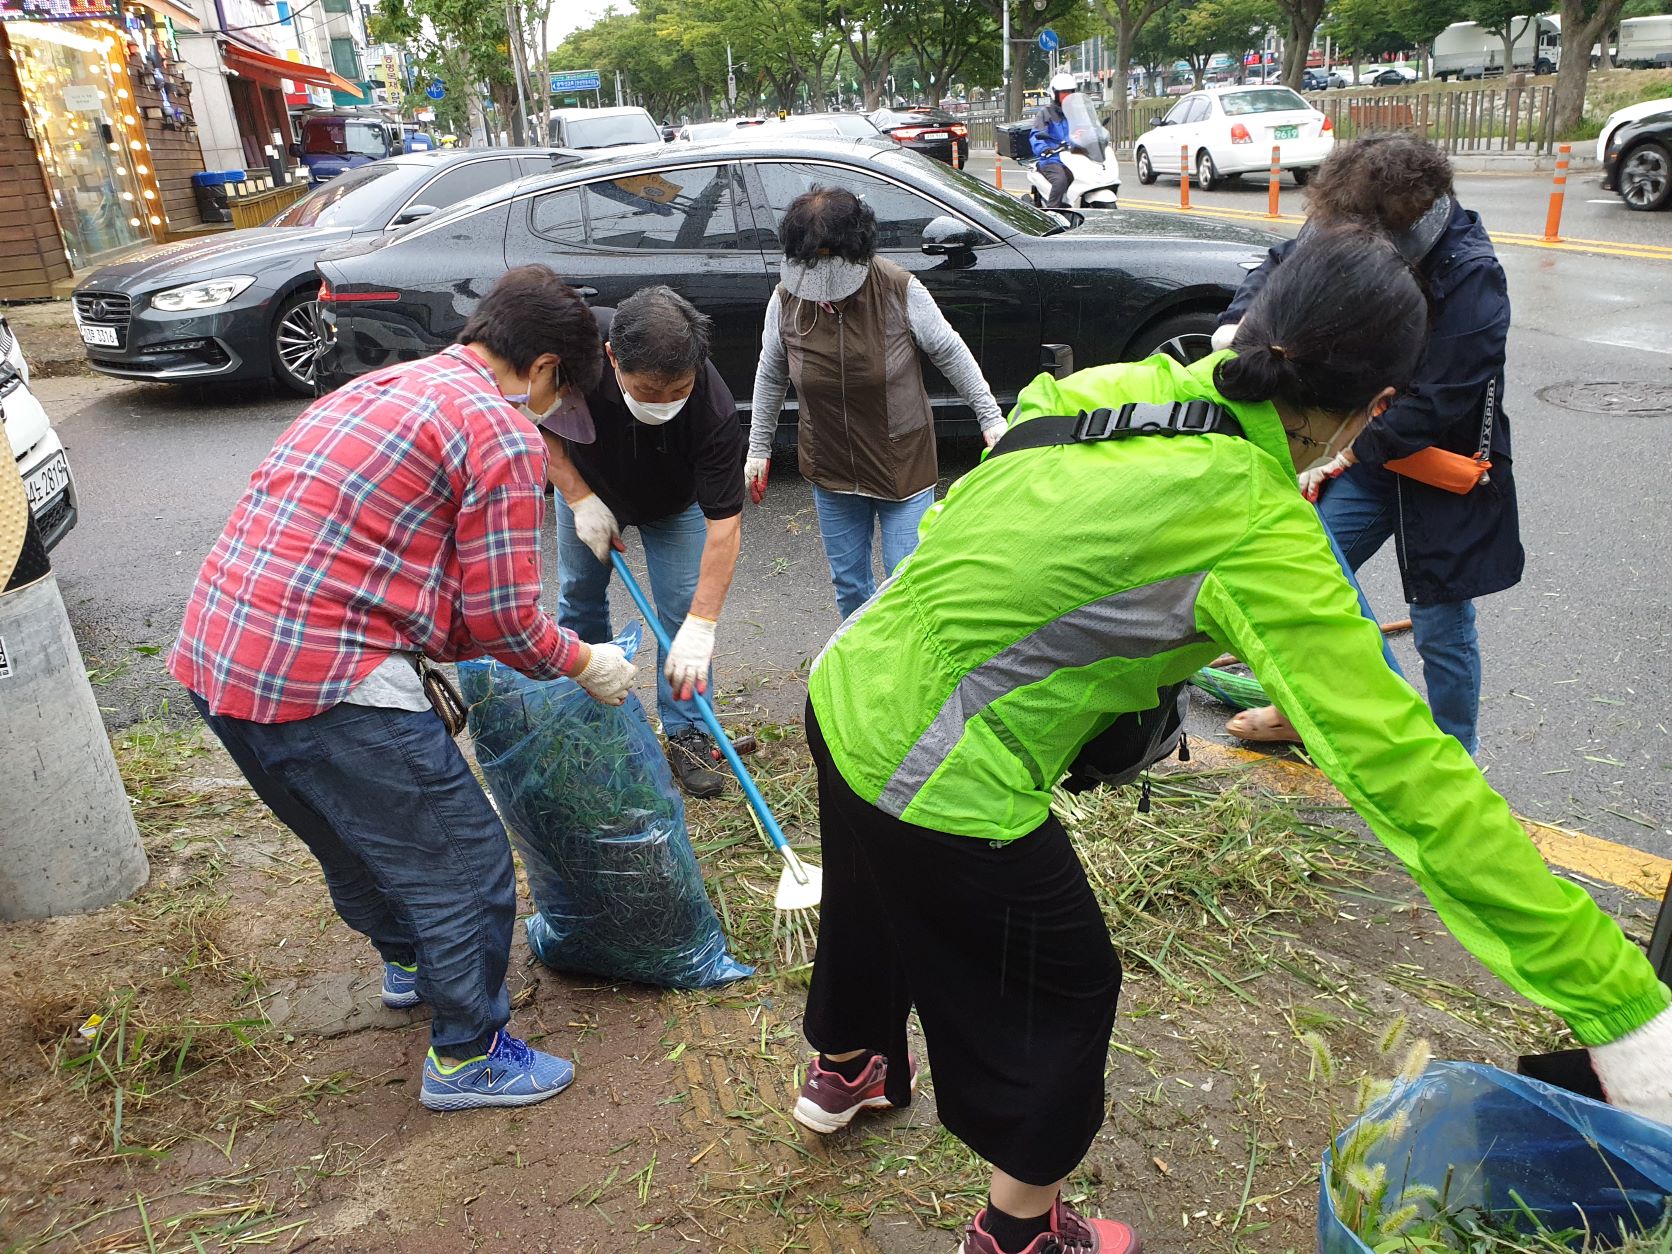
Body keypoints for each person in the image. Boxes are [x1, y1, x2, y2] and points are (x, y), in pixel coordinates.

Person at [790, 230, 1671, 1254]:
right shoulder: (1260, 538)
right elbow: (1410, 777)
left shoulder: (1125, 387)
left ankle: (842, 1068)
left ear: (1257, 325)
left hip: (848, 676)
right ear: (1373, 407)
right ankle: (1019, 1233)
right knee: (1066, 985)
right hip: (938, 764)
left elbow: (1002, 476)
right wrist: (1619, 1005)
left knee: (867, 894)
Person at [168, 266, 638, 1113]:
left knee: (356, 842)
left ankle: (414, 965)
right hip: (329, 682)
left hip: (219, 660)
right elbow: (501, 618)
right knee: (463, 866)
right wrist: (582, 661)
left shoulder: (380, 388)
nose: (548, 416)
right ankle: (468, 1054)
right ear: (540, 370)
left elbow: (417, 583)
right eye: (556, 393)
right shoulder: (497, 429)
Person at [1215, 134, 1522, 755]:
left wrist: (1343, 449)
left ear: (1410, 217)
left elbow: (1444, 398)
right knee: (1312, 573)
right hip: (1365, 449)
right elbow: (1279, 265)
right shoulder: (1353, 227)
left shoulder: (1472, 274)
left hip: (1435, 463)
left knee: (1441, 622)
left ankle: (1451, 755)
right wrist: (1237, 325)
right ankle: (1346, 713)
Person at [747, 187, 1005, 619]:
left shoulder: (899, 289)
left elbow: (950, 351)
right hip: (829, 465)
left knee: (906, 582)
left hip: (901, 461)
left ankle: (908, 676)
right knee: (850, 588)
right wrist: (758, 447)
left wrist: (990, 416)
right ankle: (859, 675)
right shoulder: (786, 302)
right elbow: (771, 371)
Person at [539, 285, 744, 800]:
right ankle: (584, 710)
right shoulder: (574, 347)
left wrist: (702, 626)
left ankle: (688, 733)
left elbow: (725, 527)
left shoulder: (714, 413)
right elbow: (531, 416)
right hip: (587, 487)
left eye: (678, 390)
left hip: (674, 504)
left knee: (682, 612)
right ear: (612, 357)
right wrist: (579, 497)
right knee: (580, 597)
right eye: (650, 392)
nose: (666, 403)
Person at [1030, 71, 1081, 208]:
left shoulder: (1076, 112)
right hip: (1052, 158)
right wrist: (1044, 149)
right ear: (1055, 94)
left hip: (1073, 157)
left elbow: (1085, 130)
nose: (1067, 96)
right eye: (1063, 93)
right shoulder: (1045, 113)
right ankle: (1053, 213)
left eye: (1069, 93)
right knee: (1061, 181)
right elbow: (1036, 134)